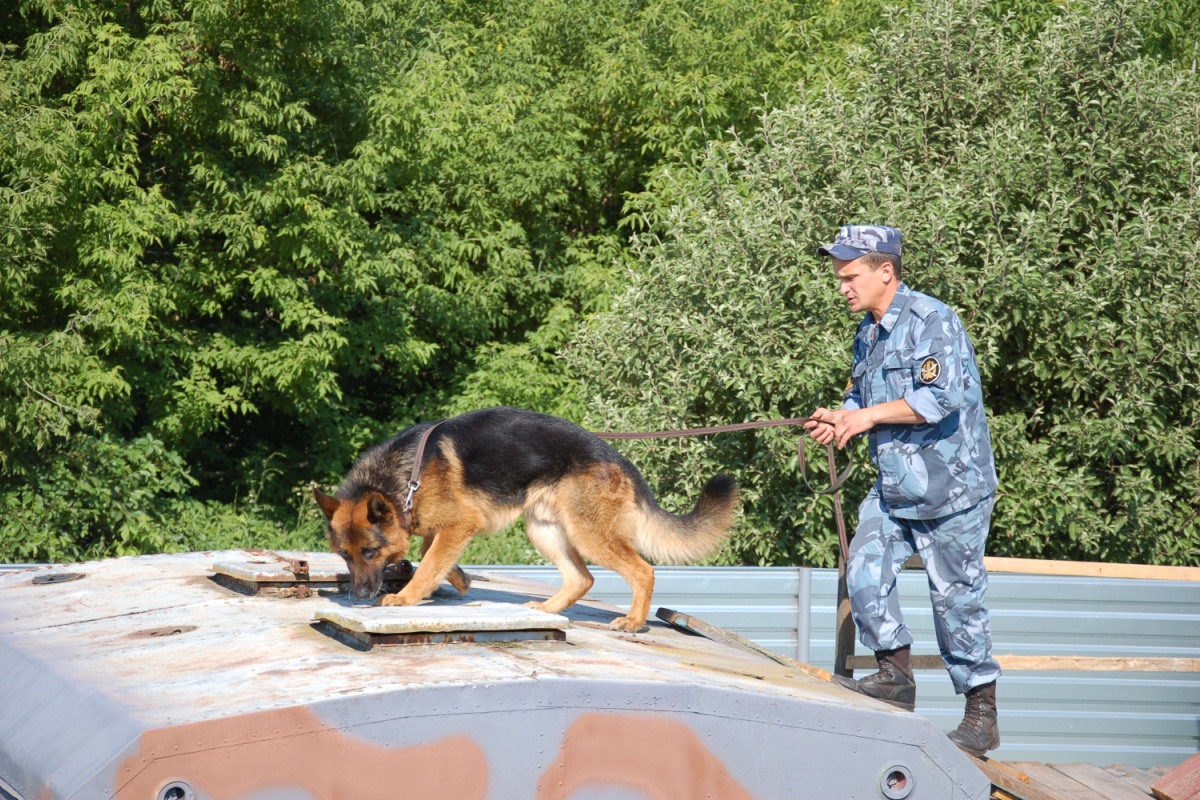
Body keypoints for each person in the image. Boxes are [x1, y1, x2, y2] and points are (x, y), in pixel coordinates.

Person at [804, 224, 1002, 757]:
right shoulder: (867, 335)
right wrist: (841, 421)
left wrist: (865, 417)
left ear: (884, 271)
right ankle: (894, 675)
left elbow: (940, 399)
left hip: (952, 491)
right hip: (894, 487)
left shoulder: (933, 321)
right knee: (863, 568)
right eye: (840, 277)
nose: (842, 286)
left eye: (850, 276)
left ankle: (981, 715)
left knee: (956, 603)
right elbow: (862, 400)